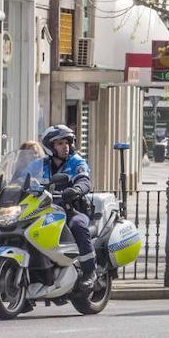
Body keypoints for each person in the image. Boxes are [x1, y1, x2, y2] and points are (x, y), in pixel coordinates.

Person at [29, 125, 97, 292]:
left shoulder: (76, 161)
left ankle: (90, 272)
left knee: (78, 226)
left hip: (72, 210)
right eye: (59, 143)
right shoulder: (40, 164)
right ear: (50, 146)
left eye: (66, 142)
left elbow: (84, 180)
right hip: (46, 210)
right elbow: (21, 178)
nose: (64, 146)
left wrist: (77, 189)